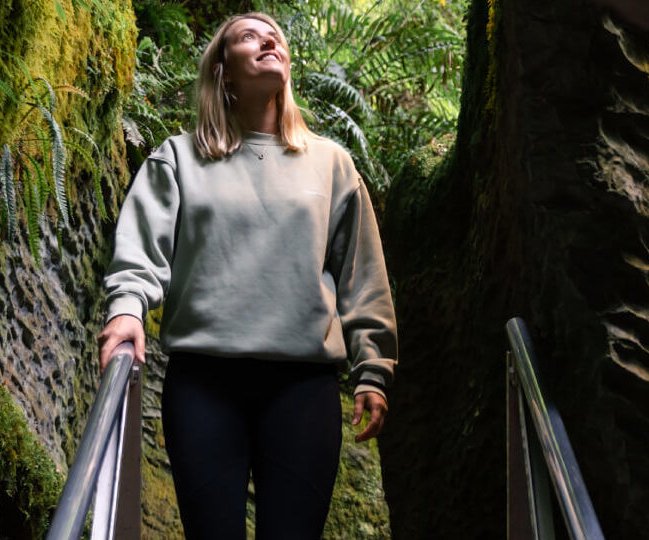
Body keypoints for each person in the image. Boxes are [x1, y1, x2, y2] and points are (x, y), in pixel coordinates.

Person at [95, 12, 398, 539]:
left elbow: (361, 275)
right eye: (249, 35)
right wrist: (126, 311)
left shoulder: (331, 164)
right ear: (223, 72)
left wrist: (374, 366)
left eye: (275, 35)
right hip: (204, 385)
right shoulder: (179, 159)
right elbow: (142, 250)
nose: (270, 39)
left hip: (303, 388)